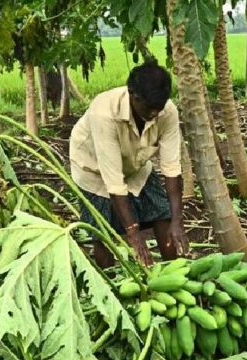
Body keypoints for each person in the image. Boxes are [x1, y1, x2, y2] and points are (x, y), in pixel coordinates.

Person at [70, 62, 187, 267]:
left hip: (137, 166)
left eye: (158, 108)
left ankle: (175, 270)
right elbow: (113, 182)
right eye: (149, 108)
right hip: (95, 170)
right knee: (103, 232)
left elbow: (172, 169)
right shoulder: (104, 113)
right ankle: (110, 283)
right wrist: (133, 233)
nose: (154, 114)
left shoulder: (166, 111)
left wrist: (177, 221)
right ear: (132, 94)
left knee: (163, 213)